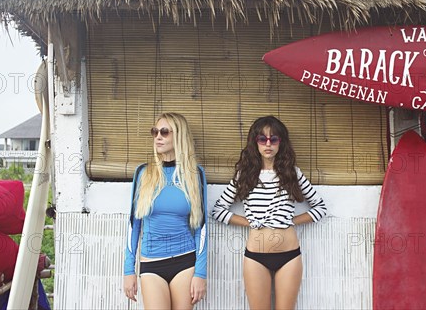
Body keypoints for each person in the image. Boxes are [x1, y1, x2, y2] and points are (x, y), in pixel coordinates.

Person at [212, 116, 327, 310]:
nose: (268, 144)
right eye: (262, 139)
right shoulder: (245, 174)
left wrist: (289, 220)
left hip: (289, 256)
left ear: (281, 143)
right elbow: (218, 210)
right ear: (254, 142)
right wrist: (250, 221)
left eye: (274, 139)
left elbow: (320, 208)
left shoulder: (292, 173)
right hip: (255, 257)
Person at [124, 112, 207, 309]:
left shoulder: (195, 174)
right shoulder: (143, 173)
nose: (158, 137)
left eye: (164, 132)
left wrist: (200, 273)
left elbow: (202, 228)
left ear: (178, 135)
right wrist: (129, 270)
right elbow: (133, 225)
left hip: (185, 261)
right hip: (151, 263)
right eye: (155, 132)